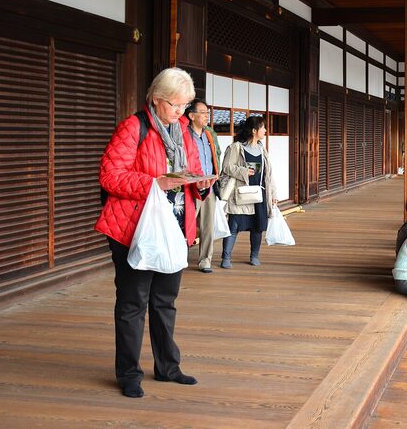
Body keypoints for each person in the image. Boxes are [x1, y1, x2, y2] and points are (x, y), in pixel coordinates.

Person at [96, 68, 215, 398]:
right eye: (177, 106)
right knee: (133, 302)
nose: (182, 113)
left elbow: (189, 174)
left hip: (173, 228)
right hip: (135, 229)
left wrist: (200, 184)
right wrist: (153, 183)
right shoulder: (134, 127)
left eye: (185, 106)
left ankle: (168, 367)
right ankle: (129, 373)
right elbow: (110, 176)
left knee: (166, 301)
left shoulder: (181, 131)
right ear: (157, 100)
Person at [219, 116, 278, 268]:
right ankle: (226, 258)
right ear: (254, 130)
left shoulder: (262, 150)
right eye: (263, 127)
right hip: (241, 194)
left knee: (257, 227)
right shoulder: (236, 148)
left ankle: (254, 256)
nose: (265, 130)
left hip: (259, 194)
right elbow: (226, 168)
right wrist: (244, 171)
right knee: (234, 226)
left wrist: (273, 195)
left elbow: (269, 175)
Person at [184, 100, 222, 273]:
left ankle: (205, 260)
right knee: (186, 224)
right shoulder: (185, 135)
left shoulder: (208, 135)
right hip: (191, 187)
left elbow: (216, 156)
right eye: (203, 112)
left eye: (207, 113)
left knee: (208, 226)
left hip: (210, 186)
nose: (207, 116)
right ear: (191, 116)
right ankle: (179, 256)